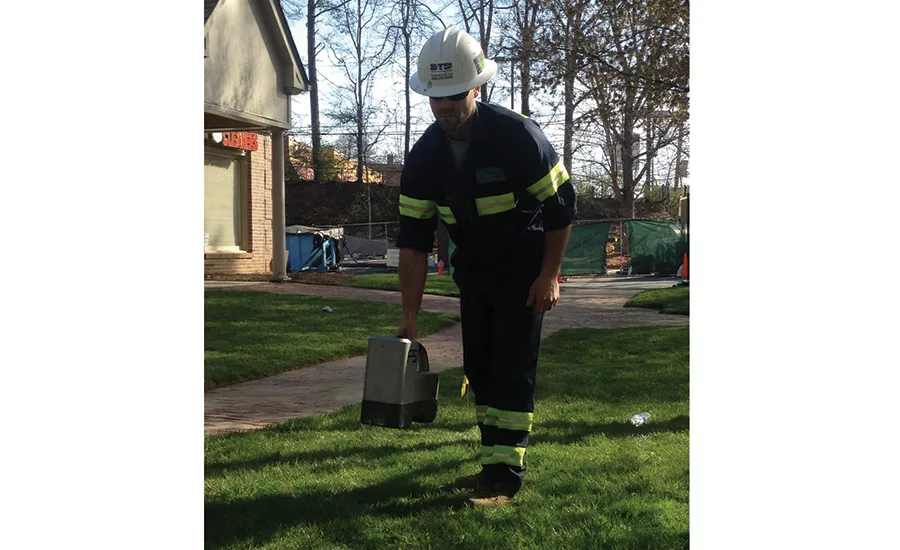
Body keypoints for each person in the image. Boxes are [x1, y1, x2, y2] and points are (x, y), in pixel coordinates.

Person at [395, 28, 575, 508]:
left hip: (523, 274)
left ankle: (506, 479)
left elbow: (561, 211)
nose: (445, 107)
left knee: (513, 370)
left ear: (477, 88)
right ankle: (492, 467)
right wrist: (409, 320)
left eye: (454, 95)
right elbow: (412, 243)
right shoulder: (424, 158)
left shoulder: (518, 136)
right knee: (481, 369)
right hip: (473, 275)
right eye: (436, 98)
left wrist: (549, 276)